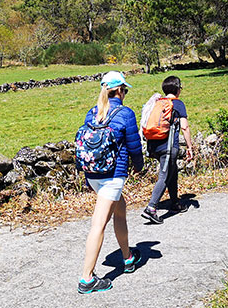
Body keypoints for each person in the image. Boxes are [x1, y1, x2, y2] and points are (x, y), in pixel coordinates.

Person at [77, 71, 144, 294]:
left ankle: (127, 257)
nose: (125, 94)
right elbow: (134, 146)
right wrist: (139, 167)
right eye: (124, 90)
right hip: (112, 176)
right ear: (118, 90)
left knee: (121, 211)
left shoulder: (92, 112)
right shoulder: (125, 113)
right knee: (98, 224)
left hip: (93, 174)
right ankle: (87, 279)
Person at [141, 76, 194, 224]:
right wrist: (190, 147)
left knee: (172, 171)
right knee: (165, 175)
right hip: (168, 147)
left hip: (154, 145)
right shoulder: (177, 104)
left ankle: (175, 203)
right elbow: (184, 127)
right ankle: (151, 208)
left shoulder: (157, 103)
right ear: (178, 89)